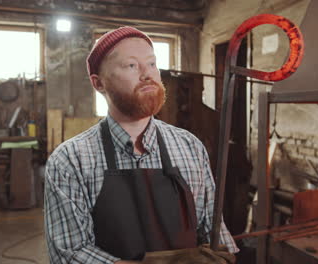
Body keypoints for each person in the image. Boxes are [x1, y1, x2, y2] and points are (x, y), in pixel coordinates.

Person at [44, 26, 238, 264]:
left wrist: (224, 255)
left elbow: (213, 229)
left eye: (152, 64)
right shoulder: (70, 160)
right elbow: (69, 253)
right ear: (99, 83)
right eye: (131, 66)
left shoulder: (189, 147)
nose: (148, 74)